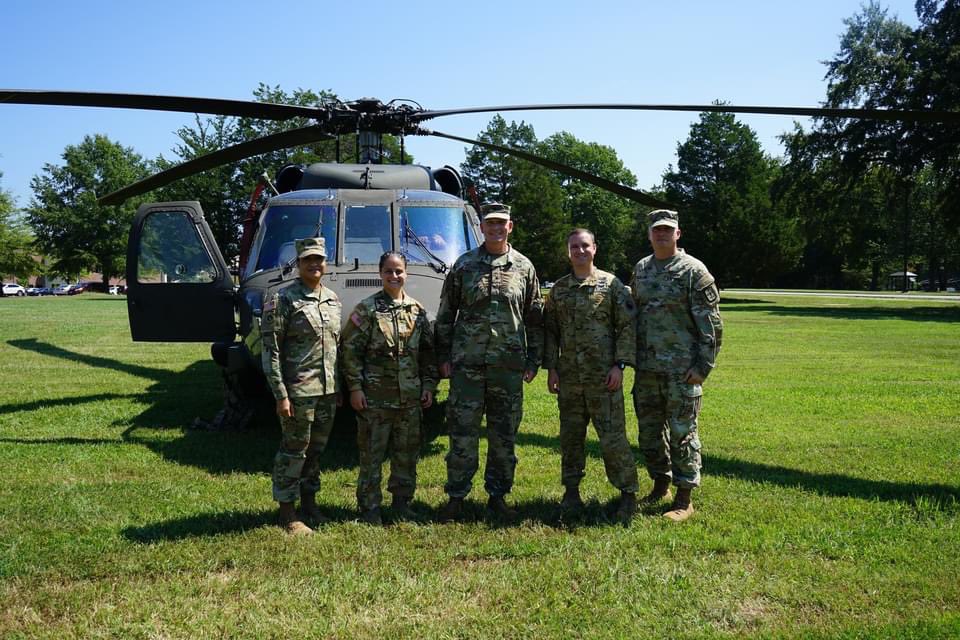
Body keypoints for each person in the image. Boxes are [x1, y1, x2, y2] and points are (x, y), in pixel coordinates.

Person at [435, 203, 544, 521]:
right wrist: (443, 357)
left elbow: (535, 319)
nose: (496, 228)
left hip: (507, 368)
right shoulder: (464, 265)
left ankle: (498, 496)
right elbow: (445, 315)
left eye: (502, 224)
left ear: (510, 227)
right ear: (481, 228)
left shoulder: (524, 267)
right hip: (467, 366)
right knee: (462, 434)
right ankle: (456, 496)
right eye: (490, 224)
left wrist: (534, 359)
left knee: (504, 436)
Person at [630, 210, 723, 522]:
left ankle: (685, 499)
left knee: (683, 434)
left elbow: (711, 324)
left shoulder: (693, 271)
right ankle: (661, 485)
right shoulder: (641, 269)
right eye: (657, 230)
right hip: (647, 369)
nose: (662, 235)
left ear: (678, 234)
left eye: (668, 230)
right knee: (649, 434)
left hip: (682, 370)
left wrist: (703, 367)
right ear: (649, 234)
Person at [544, 228, 640, 522]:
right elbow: (550, 332)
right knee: (571, 439)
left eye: (585, 245)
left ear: (595, 248)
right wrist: (552, 368)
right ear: (568, 251)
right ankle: (571, 492)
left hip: (603, 378)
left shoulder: (612, 285)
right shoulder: (559, 289)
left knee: (613, 440)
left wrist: (619, 365)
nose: (580, 251)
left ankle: (627, 495)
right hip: (570, 379)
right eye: (574, 247)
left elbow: (626, 326)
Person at [340, 251, 438, 526]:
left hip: (409, 398)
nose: (394, 276)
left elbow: (428, 354)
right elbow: (349, 351)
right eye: (389, 271)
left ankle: (402, 503)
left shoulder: (417, 312)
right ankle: (369, 508)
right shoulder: (367, 310)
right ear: (380, 274)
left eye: (399, 271)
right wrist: (355, 388)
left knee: (406, 454)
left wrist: (428, 385)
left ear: (406, 273)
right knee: (371, 455)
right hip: (375, 399)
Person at [261, 237, 342, 535]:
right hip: (298, 392)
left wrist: (340, 388)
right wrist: (280, 394)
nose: (314, 264)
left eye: (319, 258)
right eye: (308, 259)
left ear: (326, 263)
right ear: (298, 264)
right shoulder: (282, 300)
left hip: (327, 391)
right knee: (294, 450)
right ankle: (287, 511)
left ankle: (310, 503)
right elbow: (271, 351)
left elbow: (336, 346)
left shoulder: (332, 299)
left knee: (316, 452)